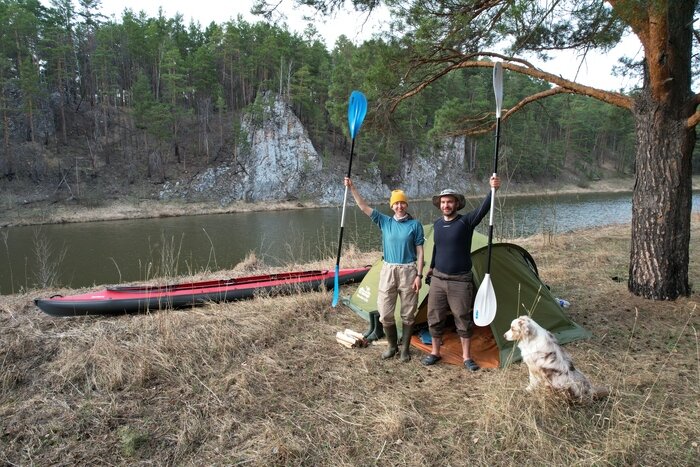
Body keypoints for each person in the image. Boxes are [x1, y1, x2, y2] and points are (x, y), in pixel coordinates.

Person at [421, 175, 501, 371]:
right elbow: (438, 248)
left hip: (460, 281)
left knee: (462, 318)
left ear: (457, 203)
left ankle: (466, 357)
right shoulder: (438, 225)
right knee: (435, 316)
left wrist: (493, 190)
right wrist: (431, 267)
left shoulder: (466, 222)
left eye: (450, 202)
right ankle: (435, 353)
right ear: (439, 205)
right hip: (438, 279)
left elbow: (483, 210)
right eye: (443, 202)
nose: (446, 205)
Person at [344, 177, 425, 362]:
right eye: (396, 203)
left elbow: (420, 253)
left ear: (406, 204)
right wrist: (352, 188)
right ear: (391, 206)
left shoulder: (415, 225)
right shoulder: (385, 221)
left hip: (409, 271)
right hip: (388, 270)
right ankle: (391, 346)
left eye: (402, 203)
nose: (399, 206)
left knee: (408, 313)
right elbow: (364, 207)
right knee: (385, 313)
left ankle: (405, 349)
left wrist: (419, 275)